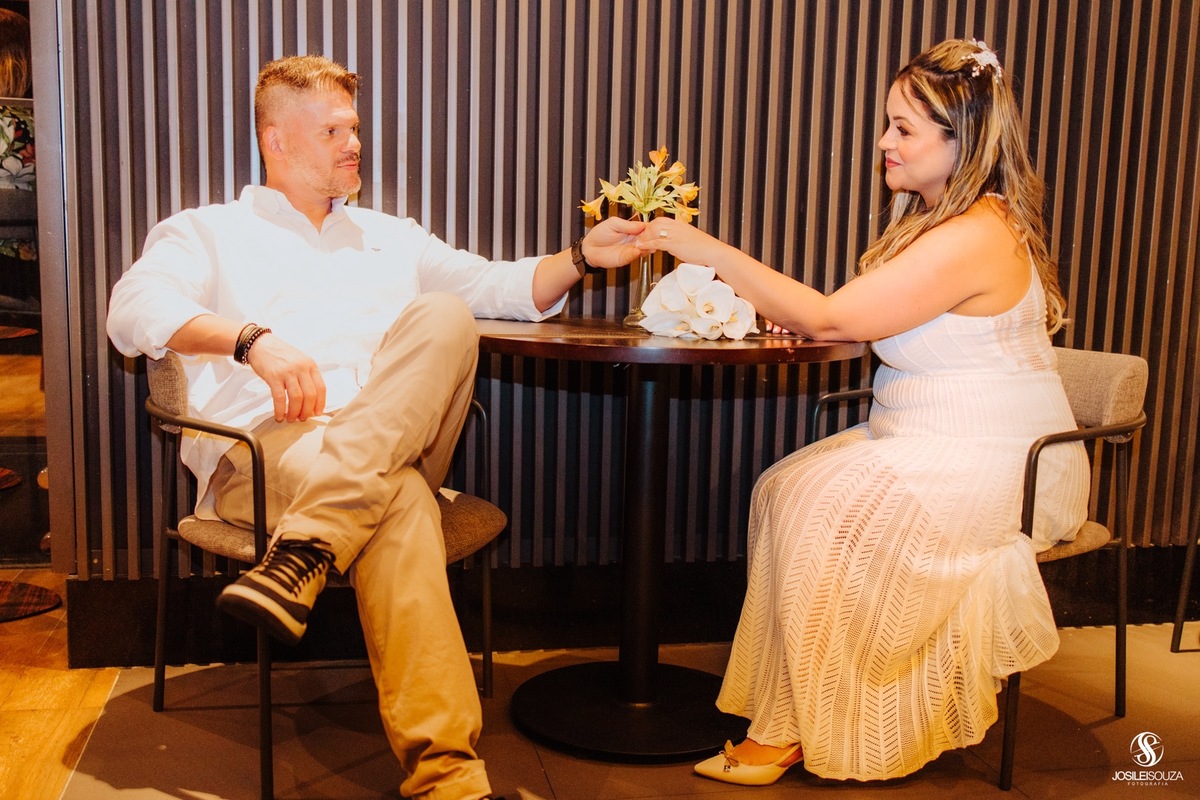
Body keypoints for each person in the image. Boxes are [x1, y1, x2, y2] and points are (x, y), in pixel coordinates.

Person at [107, 54, 641, 800]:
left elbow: (499, 287)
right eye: (332, 130)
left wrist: (585, 256)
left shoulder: (393, 237)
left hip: (399, 440)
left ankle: (305, 548)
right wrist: (250, 341)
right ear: (276, 140)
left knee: (449, 313)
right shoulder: (205, 232)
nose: (353, 143)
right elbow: (131, 313)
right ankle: (449, 777)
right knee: (396, 503)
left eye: (354, 127)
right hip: (270, 455)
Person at [635, 39, 1088, 785]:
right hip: (929, 437)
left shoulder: (976, 232)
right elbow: (852, 317)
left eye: (903, 129)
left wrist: (703, 248)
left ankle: (799, 728)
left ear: (960, 141)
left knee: (821, 505)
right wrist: (814, 318)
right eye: (888, 123)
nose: (883, 142)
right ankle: (804, 709)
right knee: (787, 486)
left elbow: (836, 317)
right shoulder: (943, 220)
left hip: (1006, 461)